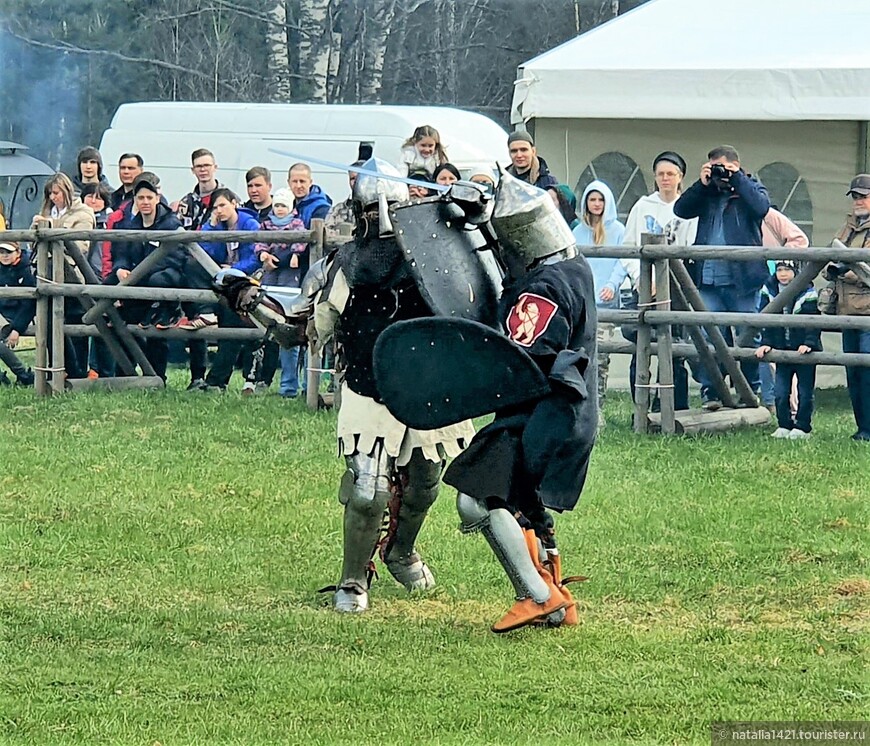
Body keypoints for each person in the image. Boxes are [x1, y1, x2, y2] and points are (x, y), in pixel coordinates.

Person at [314, 158, 475, 613]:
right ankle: (352, 581)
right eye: (374, 211)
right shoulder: (345, 266)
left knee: (425, 482)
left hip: (424, 385)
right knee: (368, 488)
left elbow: (467, 307)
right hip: (369, 386)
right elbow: (309, 326)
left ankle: (400, 551)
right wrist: (249, 300)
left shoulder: (437, 258)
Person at [444, 169, 598, 633]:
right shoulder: (574, 266)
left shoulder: (541, 289)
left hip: (542, 409)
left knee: (477, 499)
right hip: (569, 410)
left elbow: (520, 360)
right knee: (520, 501)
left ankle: (538, 595)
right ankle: (556, 592)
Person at [674, 144, 770, 410]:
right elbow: (680, 209)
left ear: (736, 165)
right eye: (715, 167)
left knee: (748, 335)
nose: (720, 173)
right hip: (708, 277)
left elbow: (761, 207)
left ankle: (749, 391)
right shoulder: (707, 192)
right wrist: (702, 184)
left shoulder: (751, 187)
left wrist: (737, 178)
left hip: (743, 278)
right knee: (709, 335)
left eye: (723, 167)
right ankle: (712, 392)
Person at [622, 151, 698, 413]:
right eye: (661, 174)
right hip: (644, 285)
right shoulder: (643, 206)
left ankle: (673, 406)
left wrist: (668, 282)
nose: (665, 179)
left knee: (673, 345)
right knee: (639, 343)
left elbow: (689, 250)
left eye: (670, 174)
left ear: (680, 177)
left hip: (675, 287)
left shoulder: (688, 210)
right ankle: (640, 405)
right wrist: (644, 280)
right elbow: (629, 246)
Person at [110, 175, 186, 379]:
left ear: (157, 198)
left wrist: (138, 273)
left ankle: (157, 377)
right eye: (140, 198)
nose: (145, 202)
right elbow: (120, 253)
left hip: (165, 279)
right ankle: (124, 374)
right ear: (135, 199)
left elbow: (175, 257)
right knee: (114, 300)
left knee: (155, 331)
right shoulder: (130, 224)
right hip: (136, 281)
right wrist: (120, 268)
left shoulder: (171, 223)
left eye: (149, 198)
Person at [31, 172, 96, 379]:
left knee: (75, 325)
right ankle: (57, 367)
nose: (53, 197)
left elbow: (81, 246)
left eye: (56, 192)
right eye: (50, 193)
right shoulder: (47, 212)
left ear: (66, 191)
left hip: (72, 275)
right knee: (49, 319)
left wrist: (52, 230)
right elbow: (34, 247)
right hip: (47, 273)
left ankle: (75, 370)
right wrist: (37, 230)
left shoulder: (83, 213)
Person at [572, 180, 626, 423]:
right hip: (582, 303)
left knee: (601, 356)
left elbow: (622, 262)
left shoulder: (618, 231)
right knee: (580, 356)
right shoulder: (577, 232)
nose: (596, 204)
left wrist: (611, 286)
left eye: (601, 199)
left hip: (606, 303)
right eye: (592, 199)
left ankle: (598, 407)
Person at [198, 188, 262, 392]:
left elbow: (255, 257)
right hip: (222, 282)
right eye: (215, 207)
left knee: (233, 328)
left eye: (223, 205)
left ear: (234, 203)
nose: (219, 210)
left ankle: (218, 380)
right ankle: (217, 380)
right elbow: (204, 252)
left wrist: (235, 269)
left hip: (245, 283)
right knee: (229, 328)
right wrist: (211, 225)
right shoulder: (218, 225)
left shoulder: (249, 224)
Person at [251, 188, 307, 398]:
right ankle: (286, 385)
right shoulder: (266, 223)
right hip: (271, 268)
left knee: (289, 317)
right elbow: (260, 240)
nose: (280, 209)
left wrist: (295, 253)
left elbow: (302, 240)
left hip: (289, 270)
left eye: (284, 205)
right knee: (269, 302)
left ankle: (292, 386)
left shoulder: (296, 223)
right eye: (277, 205)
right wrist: (263, 253)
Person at [755, 260, 820, 439]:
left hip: (804, 351)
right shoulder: (768, 290)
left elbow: (813, 320)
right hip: (782, 349)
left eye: (787, 270)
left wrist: (809, 343)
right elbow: (765, 319)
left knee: (805, 392)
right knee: (781, 392)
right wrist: (766, 342)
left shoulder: (807, 291)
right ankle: (784, 424)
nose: (783, 274)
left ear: (796, 271)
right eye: (780, 270)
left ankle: (803, 426)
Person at [826, 174, 870, 441]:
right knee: (853, 373)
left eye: (863, 196)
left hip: (868, 312)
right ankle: (862, 428)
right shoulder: (847, 227)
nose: (858, 201)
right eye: (855, 196)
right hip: (846, 310)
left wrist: (846, 270)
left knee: (867, 371)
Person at [175, 148, 224, 388]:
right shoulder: (186, 202)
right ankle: (197, 376)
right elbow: (180, 233)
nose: (203, 170)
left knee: (228, 326)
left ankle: (220, 378)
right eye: (199, 166)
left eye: (207, 165)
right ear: (193, 170)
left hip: (218, 268)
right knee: (194, 319)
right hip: (189, 269)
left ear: (215, 167)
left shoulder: (226, 198)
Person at [759, 207, 810, 411]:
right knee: (771, 358)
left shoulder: (784, 260)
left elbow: (799, 240)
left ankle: (792, 406)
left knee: (792, 365)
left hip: (787, 310)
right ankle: (774, 402)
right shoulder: (771, 281)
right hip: (769, 301)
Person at [0, 240, 36, 386]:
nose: (4, 255)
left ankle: (23, 374)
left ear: (18, 252)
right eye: (1, 252)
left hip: (16, 316)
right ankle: (23, 375)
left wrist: (16, 329)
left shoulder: (27, 271)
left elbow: (29, 305)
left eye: (8, 252)